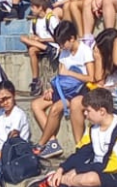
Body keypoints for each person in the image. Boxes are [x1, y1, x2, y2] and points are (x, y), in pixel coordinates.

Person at [31, 21, 93, 159]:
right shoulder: (64, 52)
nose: (61, 46)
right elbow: (60, 75)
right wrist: (51, 89)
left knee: (55, 109)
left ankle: (41, 144)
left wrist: (70, 74)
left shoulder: (85, 51)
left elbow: (91, 77)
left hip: (79, 92)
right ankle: (53, 143)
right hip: (63, 90)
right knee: (36, 105)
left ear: (72, 38)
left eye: (62, 43)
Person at [21, 0, 61, 97]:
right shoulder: (34, 21)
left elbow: (59, 37)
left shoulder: (51, 19)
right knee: (30, 49)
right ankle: (35, 80)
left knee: (26, 41)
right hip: (41, 45)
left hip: (52, 43)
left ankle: (50, 49)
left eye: (34, 7)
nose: (32, 9)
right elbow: (32, 34)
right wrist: (33, 38)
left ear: (40, 8)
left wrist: (42, 39)